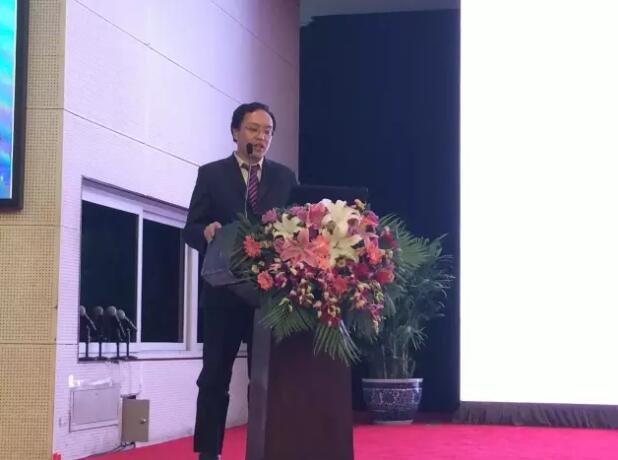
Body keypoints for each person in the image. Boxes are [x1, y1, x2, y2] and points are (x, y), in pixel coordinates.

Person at [183, 102, 297, 460]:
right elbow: (190, 228)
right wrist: (206, 231)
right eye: (253, 129)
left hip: (268, 297)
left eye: (267, 131)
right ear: (236, 132)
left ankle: (266, 449)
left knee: (264, 381)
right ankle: (209, 453)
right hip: (223, 293)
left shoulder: (285, 178)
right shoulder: (211, 174)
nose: (261, 137)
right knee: (214, 377)